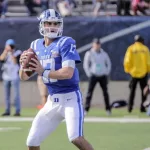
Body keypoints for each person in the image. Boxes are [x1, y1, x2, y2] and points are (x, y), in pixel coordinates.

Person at [19, 9, 94, 150]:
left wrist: (43, 71)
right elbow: (23, 77)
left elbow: (68, 73)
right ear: (42, 25)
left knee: (76, 138)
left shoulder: (66, 42)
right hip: (52, 101)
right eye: (48, 23)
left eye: (55, 23)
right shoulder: (35, 45)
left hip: (70, 98)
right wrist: (23, 65)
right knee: (32, 141)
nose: (52, 26)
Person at [83, 38, 111, 115]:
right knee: (89, 93)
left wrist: (106, 72)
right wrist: (89, 74)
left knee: (105, 93)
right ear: (93, 45)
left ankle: (108, 109)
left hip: (102, 76)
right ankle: (86, 109)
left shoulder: (104, 53)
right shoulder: (89, 53)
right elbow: (86, 64)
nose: (97, 45)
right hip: (93, 75)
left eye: (98, 44)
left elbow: (108, 63)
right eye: (96, 44)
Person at [124, 35, 150, 113]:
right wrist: (148, 71)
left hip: (134, 73)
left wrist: (128, 70)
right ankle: (143, 107)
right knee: (144, 92)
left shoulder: (131, 48)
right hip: (143, 73)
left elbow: (127, 61)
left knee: (132, 92)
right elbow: (148, 62)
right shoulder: (145, 49)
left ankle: (130, 107)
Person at [0, 39, 22, 116]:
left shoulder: (17, 52)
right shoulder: (5, 53)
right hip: (6, 76)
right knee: (6, 95)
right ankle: (7, 110)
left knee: (16, 95)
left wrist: (12, 53)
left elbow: (15, 62)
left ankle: (17, 111)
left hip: (14, 76)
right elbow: (1, 59)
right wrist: (6, 52)